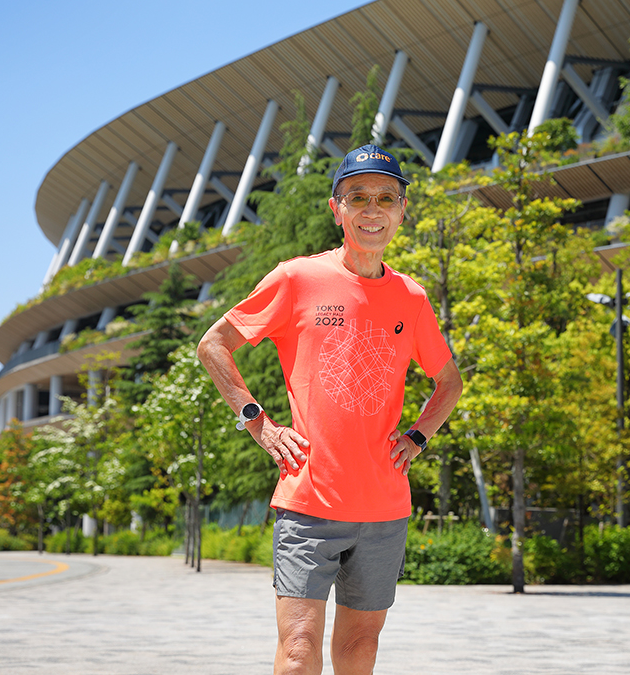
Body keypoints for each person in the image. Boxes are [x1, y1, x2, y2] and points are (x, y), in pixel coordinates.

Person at [197, 143, 463, 675]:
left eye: (386, 198)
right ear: (335, 208)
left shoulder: (411, 297)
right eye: (357, 197)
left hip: (384, 506)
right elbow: (213, 344)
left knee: (360, 650)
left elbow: (449, 382)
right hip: (309, 499)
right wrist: (259, 422)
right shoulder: (296, 279)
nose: (372, 209)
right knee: (298, 652)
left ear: (402, 210)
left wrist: (418, 436)